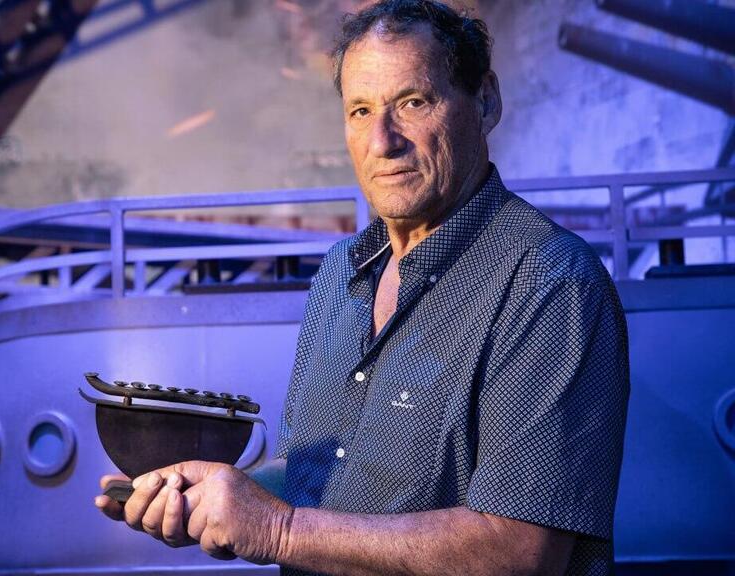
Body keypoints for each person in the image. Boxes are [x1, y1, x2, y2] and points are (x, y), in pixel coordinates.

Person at [94, 1, 630, 575]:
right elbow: (320, 478)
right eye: (360, 110)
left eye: (412, 103)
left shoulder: (549, 282)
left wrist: (277, 530)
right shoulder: (339, 276)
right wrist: (223, 496)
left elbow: (520, 553)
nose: (382, 141)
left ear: (485, 100)